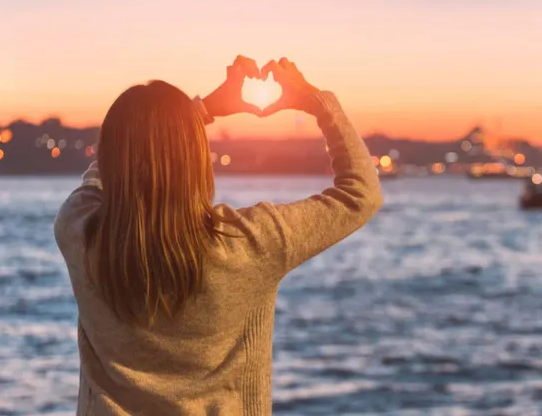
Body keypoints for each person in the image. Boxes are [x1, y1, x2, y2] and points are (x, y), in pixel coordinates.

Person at [53, 56, 383, 415]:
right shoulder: (251, 244)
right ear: (197, 156)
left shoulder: (79, 229)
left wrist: (201, 110)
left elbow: (103, 174)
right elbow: (361, 193)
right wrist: (316, 102)